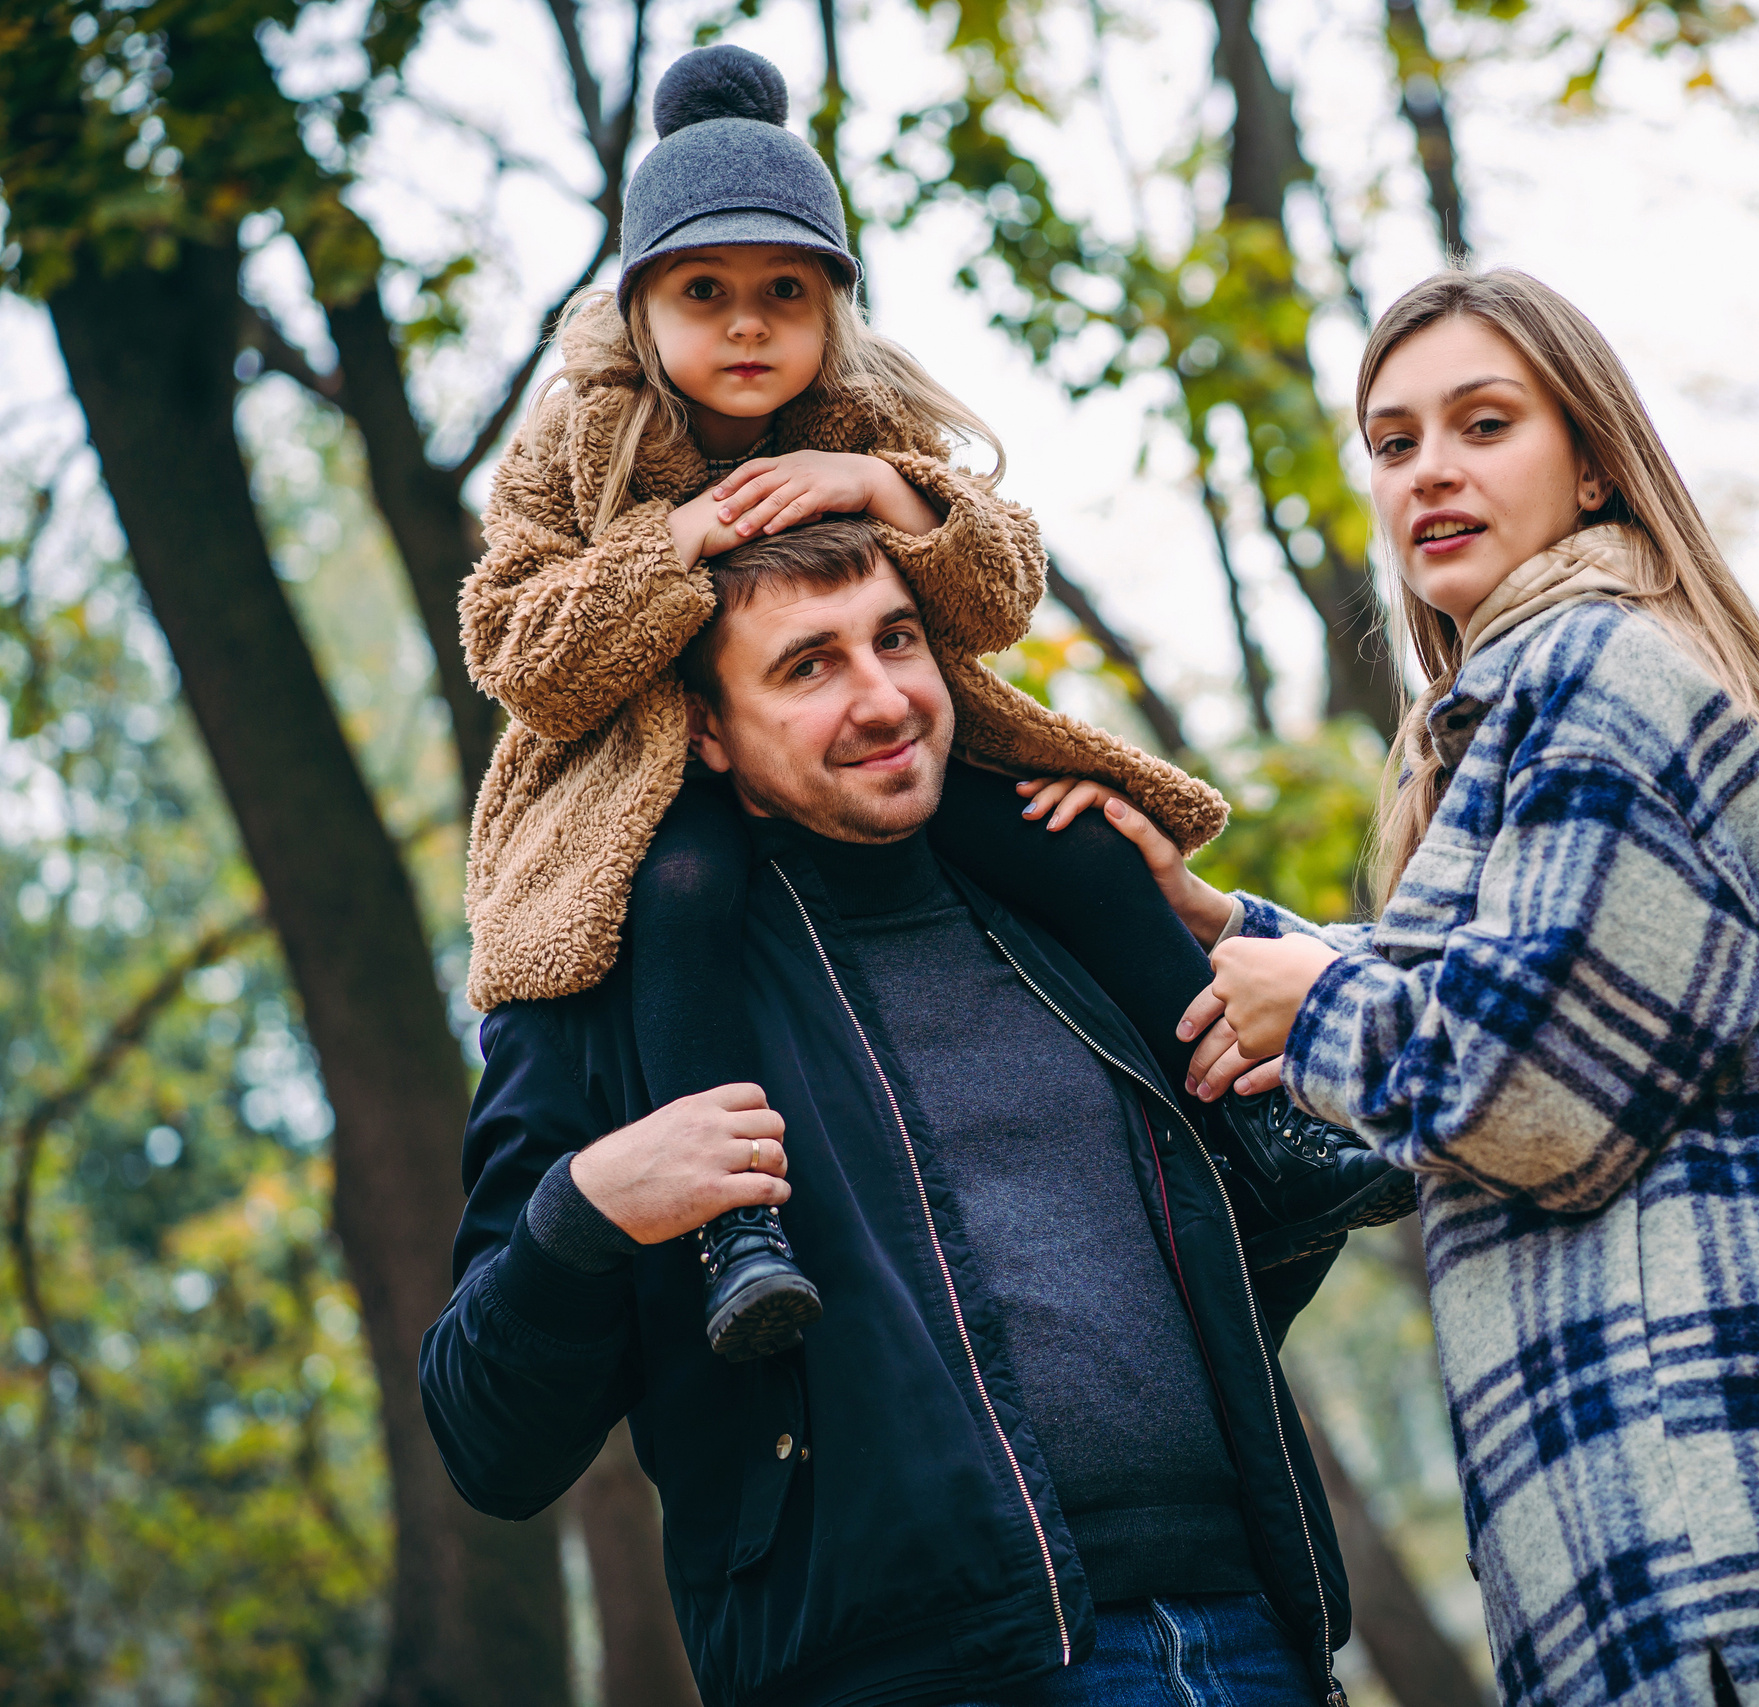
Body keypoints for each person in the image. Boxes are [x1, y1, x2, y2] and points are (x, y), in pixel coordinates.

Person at [459, 43, 1404, 1358]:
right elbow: (514, 651)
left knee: (1077, 832)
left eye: (785, 290)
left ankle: (1253, 1126)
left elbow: (1004, 587)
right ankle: (740, 1230)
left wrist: (894, 498)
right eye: (706, 292)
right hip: (651, 779)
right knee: (675, 894)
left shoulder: (865, 411)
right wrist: (665, 553)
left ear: (833, 303)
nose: (747, 324)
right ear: (641, 309)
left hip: (870, 744)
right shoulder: (583, 441)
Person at [1103, 270, 1759, 1705]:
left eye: (1483, 422)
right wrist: (1228, 926)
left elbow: (1535, 1092)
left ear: (1594, 461)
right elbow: (1519, 988)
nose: (1429, 467)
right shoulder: (1534, 700)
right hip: (1655, 1537)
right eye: (1393, 442)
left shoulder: (1604, 678)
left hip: (1725, 1538)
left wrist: (1306, 1010)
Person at [422, 517, 1356, 1707]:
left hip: (1251, 1638)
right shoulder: (606, 1002)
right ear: (701, 728)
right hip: (917, 1674)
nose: (883, 698)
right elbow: (484, 1441)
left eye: (897, 640)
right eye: (809, 665)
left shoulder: (1062, 909)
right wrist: (585, 1209)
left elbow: (1224, 1262)